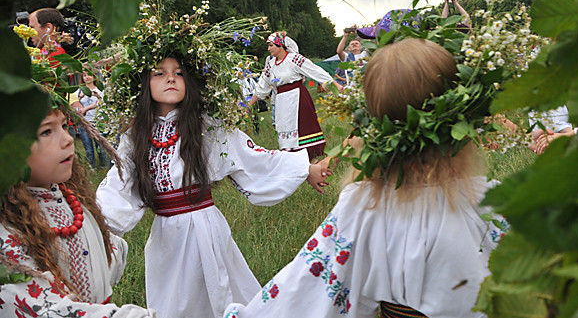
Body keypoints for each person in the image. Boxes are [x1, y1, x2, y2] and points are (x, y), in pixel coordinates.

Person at [225, 38, 508, 318]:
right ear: (462, 116)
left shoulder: (364, 207)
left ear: (370, 123)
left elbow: (307, 291)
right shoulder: (494, 201)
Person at [96, 56, 333, 318]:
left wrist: (304, 169)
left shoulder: (206, 126)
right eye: (159, 74)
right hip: (165, 234)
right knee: (172, 300)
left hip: (205, 227)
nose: (171, 78)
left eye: (178, 73)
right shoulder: (136, 135)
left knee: (219, 289)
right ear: (144, 84)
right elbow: (121, 179)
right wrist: (98, 222)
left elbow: (250, 157)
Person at [0, 107, 157, 317]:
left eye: (64, 126)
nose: (68, 139)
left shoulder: (72, 199)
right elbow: (44, 309)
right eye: (46, 131)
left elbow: (103, 254)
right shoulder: (8, 229)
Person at [248, 32, 335, 159]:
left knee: (303, 131)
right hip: (282, 102)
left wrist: (335, 87)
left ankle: (312, 163)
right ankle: (294, 164)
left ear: (280, 45)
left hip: (298, 99)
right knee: (286, 133)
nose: (268, 49)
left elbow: (315, 71)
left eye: (271, 45)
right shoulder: (271, 65)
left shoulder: (294, 59)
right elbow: (262, 86)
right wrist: (248, 105)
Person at [72, 70, 108, 170]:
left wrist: (98, 97)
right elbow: (74, 106)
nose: (87, 77)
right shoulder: (78, 91)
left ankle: (104, 166)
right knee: (88, 149)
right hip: (84, 123)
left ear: (94, 77)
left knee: (100, 147)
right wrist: (79, 98)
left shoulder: (100, 90)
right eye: (85, 75)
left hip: (98, 122)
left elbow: (104, 103)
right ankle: (92, 168)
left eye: (89, 75)